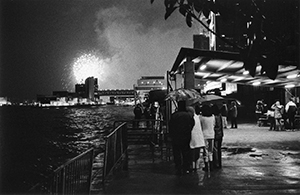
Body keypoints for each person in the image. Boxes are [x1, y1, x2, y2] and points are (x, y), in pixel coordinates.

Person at [169, 101, 194, 175]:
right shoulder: (188, 115)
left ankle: (178, 167)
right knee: (186, 152)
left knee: (177, 153)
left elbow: (171, 126)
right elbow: (192, 124)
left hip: (176, 136)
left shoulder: (174, 115)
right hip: (186, 136)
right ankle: (186, 167)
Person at [186, 106, 205, 172]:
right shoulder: (198, 117)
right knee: (197, 153)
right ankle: (196, 166)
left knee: (192, 154)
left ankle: (193, 166)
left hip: (192, 137)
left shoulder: (190, 118)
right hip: (199, 138)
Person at [199, 104, 215, 172]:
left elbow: (200, 126)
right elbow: (214, 124)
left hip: (204, 135)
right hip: (211, 134)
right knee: (210, 151)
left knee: (205, 151)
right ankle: (211, 165)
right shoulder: (213, 116)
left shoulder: (201, 117)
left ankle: (206, 165)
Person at [212, 104, 223, 169]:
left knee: (215, 150)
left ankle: (216, 163)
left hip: (216, 134)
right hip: (220, 134)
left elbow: (216, 126)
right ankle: (219, 163)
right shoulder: (220, 115)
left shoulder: (215, 117)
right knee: (218, 149)